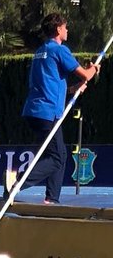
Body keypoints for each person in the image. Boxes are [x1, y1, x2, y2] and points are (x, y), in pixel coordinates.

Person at [20, 13, 100, 204]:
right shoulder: (60, 50)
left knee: (58, 155)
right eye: (65, 27)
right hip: (47, 112)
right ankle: (18, 182)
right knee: (57, 157)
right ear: (58, 29)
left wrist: (74, 89)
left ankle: (51, 198)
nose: (67, 30)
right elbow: (86, 74)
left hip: (35, 111)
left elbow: (50, 84)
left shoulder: (40, 52)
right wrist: (94, 69)